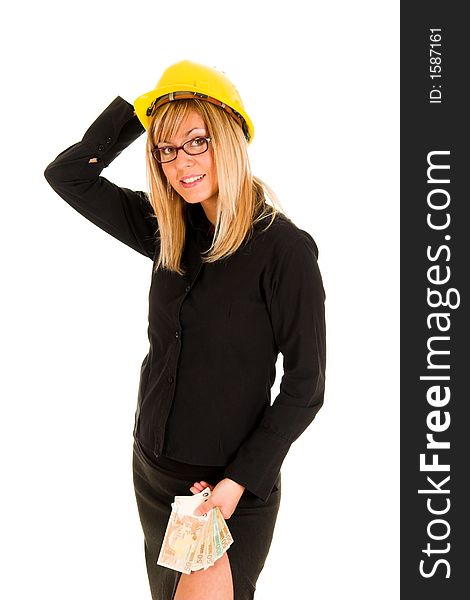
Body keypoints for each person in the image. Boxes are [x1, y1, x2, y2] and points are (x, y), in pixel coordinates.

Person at [43, 59, 327, 600]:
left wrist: (235, 484)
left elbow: (305, 386)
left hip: (223, 488)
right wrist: (141, 110)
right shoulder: (166, 228)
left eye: (196, 141)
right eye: (166, 148)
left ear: (229, 138)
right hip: (154, 471)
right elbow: (69, 175)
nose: (180, 162)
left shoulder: (285, 249)